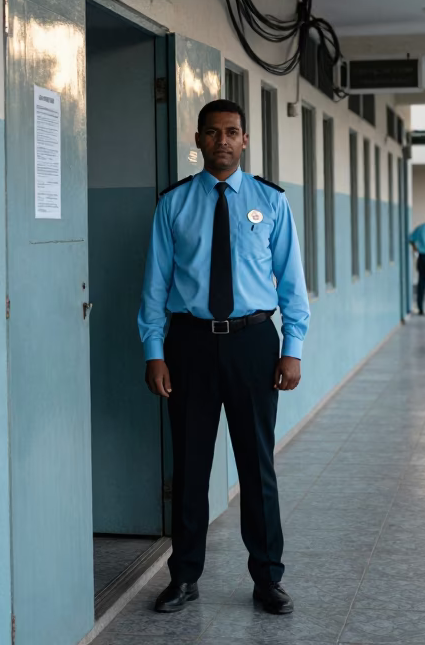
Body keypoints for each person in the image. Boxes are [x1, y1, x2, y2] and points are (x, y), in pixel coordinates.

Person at [138, 99, 310, 616]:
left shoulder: (271, 203)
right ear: (199, 139)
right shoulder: (174, 205)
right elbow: (154, 287)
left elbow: (293, 286)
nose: (223, 142)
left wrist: (292, 349)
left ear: (245, 140)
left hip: (253, 342)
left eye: (232, 132)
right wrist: (154, 351)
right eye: (212, 133)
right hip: (188, 344)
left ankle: (267, 579)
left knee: (257, 465)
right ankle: (184, 577)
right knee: (190, 466)